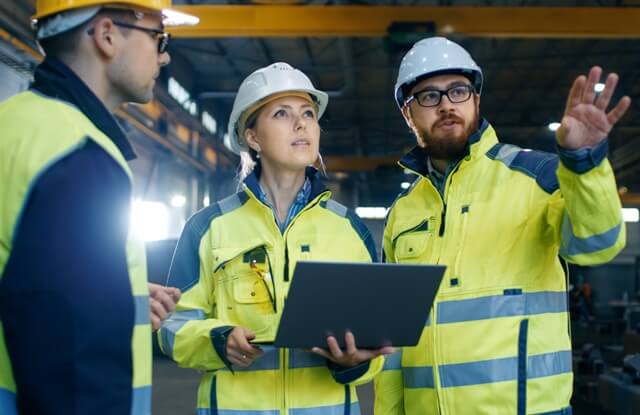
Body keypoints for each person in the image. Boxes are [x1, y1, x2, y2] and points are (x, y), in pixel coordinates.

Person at [374, 37, 630, 415]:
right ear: (408, 115)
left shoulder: (537, 176)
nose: (446, 105)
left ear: (476, 100)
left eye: (457, 91)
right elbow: (392, 339)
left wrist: (583, 164)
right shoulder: (403, 212)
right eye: (428, 97)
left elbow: (599, 244)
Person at [158, 62, 393, 414]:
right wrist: (218, 340)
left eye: (308, 114)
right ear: (252, 137)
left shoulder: (349, 230)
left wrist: (355, 361)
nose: (300, 124)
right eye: (282, 114)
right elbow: (172, 327)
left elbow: (373, 342)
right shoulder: (208, 227)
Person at [0, 1, 197, 413]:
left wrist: (108, 293)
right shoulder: (79, 154)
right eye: (158, 37)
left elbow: (33, 281)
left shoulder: (14, 125)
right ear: (107, 35)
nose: (164, 54)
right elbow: (72, 361)